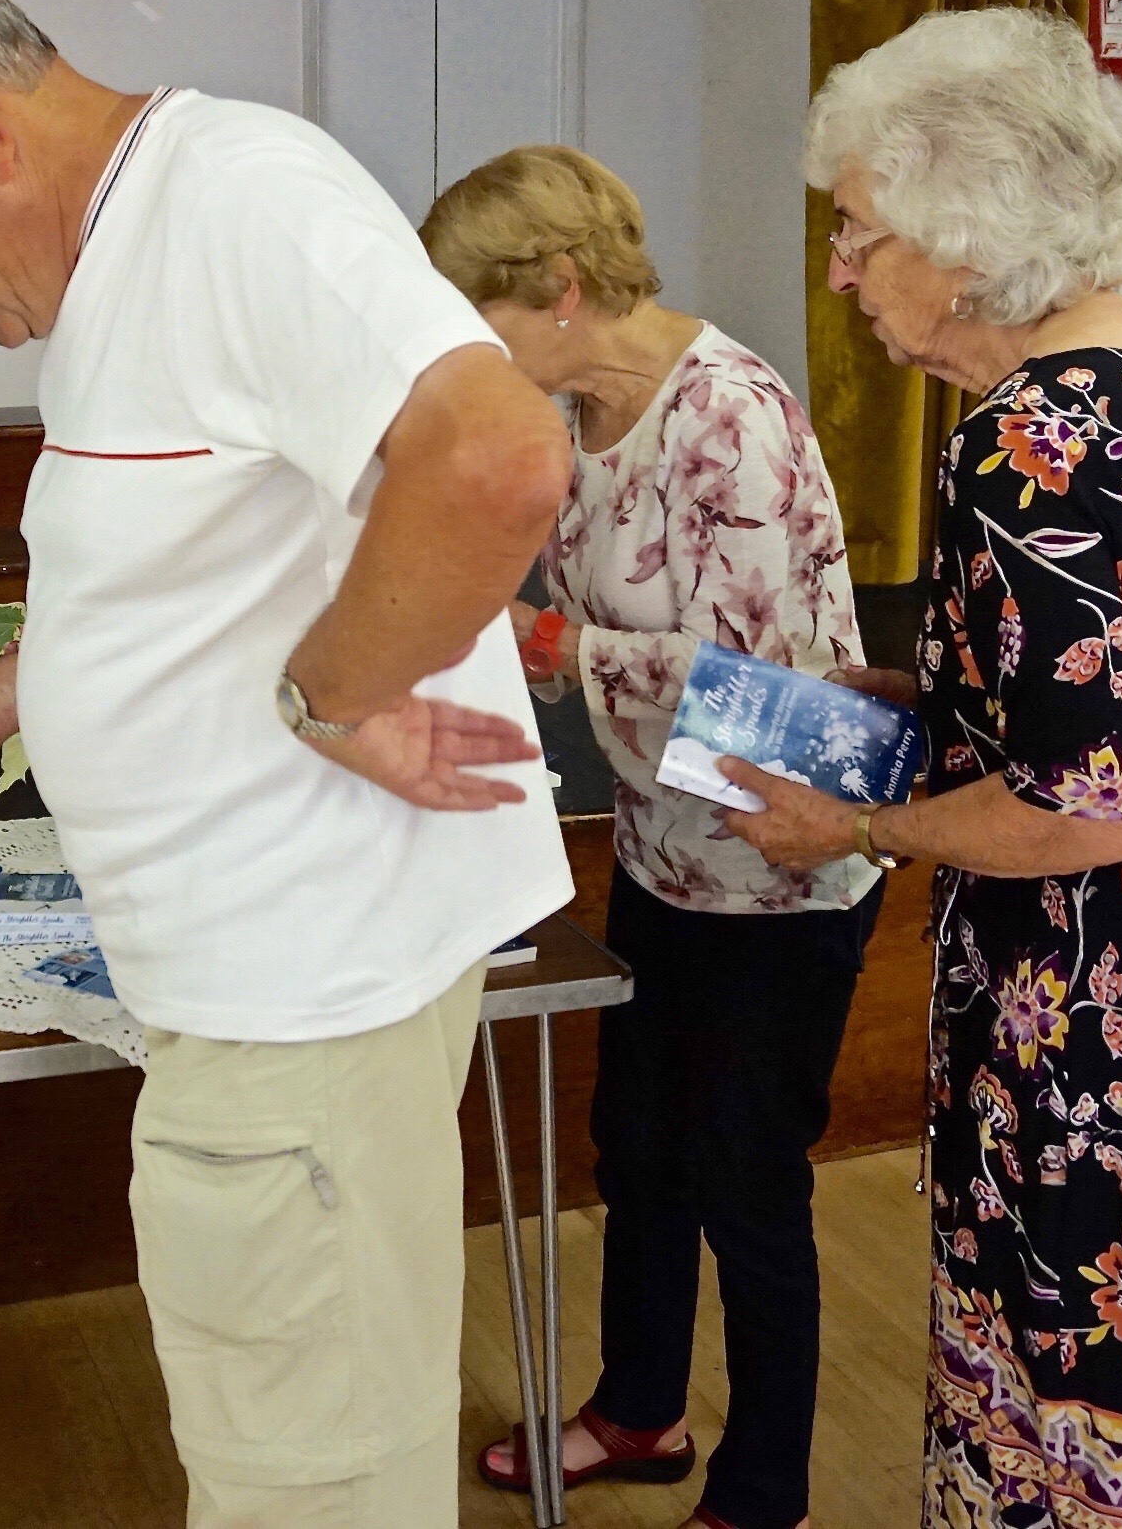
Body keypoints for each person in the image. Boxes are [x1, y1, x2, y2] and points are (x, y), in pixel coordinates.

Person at [0, 0, 576, 1527]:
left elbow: (493, 457)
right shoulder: (128, 254)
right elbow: (203, 545)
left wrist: (334, 698)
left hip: (302, 1006)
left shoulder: (235, 203)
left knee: (306, 1481)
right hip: (254, 999)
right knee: (295, 1446)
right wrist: (21, 684)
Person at [727, 7, 1122, 1529]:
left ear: (964, 234)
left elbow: (1082, 804)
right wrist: (913, 693)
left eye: (861, 233)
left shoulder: (1027, 445)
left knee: (1087, 1404)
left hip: (1114, 1017)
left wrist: (853, 819)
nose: (842, 269)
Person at [419, 145, 882, 1529]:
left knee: (747, 1176)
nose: (464, 349)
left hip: (785, 859)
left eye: (473, 315)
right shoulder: (574, 410)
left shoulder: (726, 415)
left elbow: (743, 683)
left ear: (561, 288)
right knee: (639, 1145)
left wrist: (546, 639)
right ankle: (640, 1405)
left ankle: (767, 1486)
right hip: (665, 846)